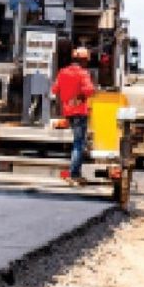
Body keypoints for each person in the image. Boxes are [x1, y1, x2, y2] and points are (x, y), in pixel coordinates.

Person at [52, 47, 96, 186]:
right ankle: (74, 174)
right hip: (79, 112)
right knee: (78, 144)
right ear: (83, 60)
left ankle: (73, 172)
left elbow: (55, 89)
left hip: (68, 112)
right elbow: (90, 90)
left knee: (77, 142)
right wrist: (80, 96)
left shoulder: (63, 72)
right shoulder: (83, 73)